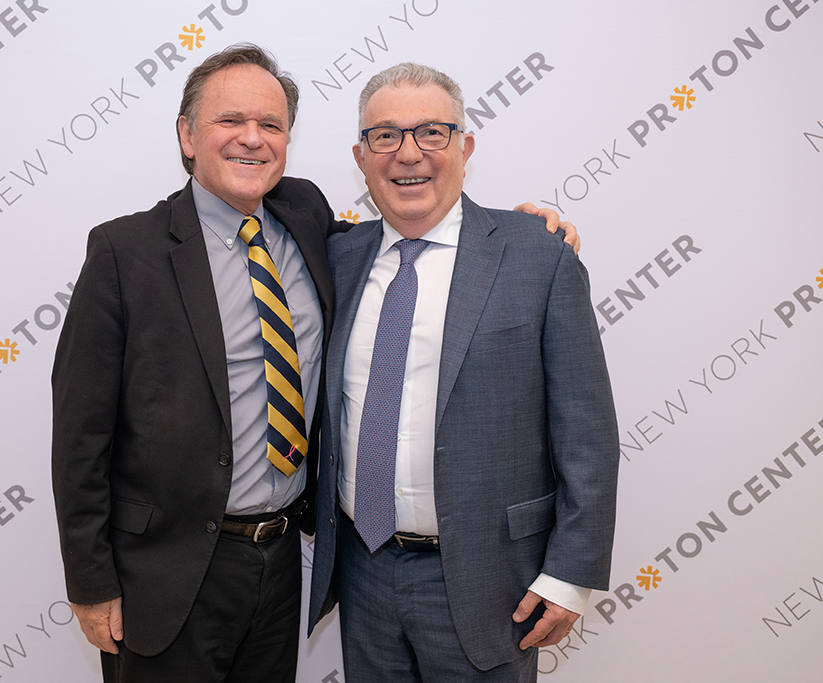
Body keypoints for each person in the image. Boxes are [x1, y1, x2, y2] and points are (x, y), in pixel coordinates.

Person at [52, 44, 576, 683]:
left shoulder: (307, 223)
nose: (252, 139)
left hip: (280, 567)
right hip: (166, 572)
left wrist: (529, 227)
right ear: (187, 135)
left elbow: (429, 220)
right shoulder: (124, 251)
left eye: (271, 125)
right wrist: (91, 580)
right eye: (229, 121)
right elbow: (79, 435)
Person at [307, 63, 619, 683]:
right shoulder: (335, 258)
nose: (409, 154)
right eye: (386, 136)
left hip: (490, 579)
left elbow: (587, 431)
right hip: (361, 571)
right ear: (361, 156)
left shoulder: (538, 255)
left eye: (432, 132)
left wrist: (570, 574)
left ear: (465, 147)